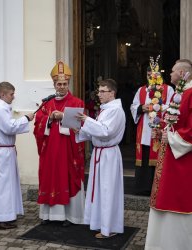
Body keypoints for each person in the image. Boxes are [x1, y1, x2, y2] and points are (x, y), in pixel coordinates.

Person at [145, 59, 192, 249]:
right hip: (170, 156)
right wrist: (161, 130)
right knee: (164, 195)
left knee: (177, 197)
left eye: (172, 71)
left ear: (182, 74)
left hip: (182, 161)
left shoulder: (190, 94)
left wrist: (171, 137)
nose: (169, 73)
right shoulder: (181, 93)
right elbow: (173, 122)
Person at [33, 61, 85, 227]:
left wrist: (62, 117)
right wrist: (49, 118)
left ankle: (69, 216)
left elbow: (81, 127)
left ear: (68, 84)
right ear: (54, 84)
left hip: (67, 150)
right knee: (49, 177)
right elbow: (38, 124)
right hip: (49, 150)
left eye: (65, 84)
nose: (62, 87)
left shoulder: (77, 102)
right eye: (59, 84)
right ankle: (48, 215)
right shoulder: (46, 103)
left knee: (66, 177)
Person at [75, 79, 125, 238]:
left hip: (108, 155)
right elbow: (96, 131)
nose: (99, 94)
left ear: (112, 93)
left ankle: (109, 228)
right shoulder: (106, 109)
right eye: (99, 91)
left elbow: (106, 131)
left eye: (103, 91)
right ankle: (99, 223)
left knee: (107, 190)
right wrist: (79, 129)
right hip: (101, 154)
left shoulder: (115, 110)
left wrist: (86, 120)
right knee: (100, 190)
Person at [0, 81, 35, 230]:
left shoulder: (2, 108)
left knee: (7, 185)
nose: (13, 97)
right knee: (3, 186)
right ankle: (0, 219)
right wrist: (26, 118)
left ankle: (6, 216)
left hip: (5, 151)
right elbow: (8, 127)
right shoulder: (0, 109)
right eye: (11, 94)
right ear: (2, 94)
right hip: (2, 153)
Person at [130, 67, 174, 195]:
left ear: (159, 75)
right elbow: (134, 106)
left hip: (159, 129)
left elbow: (172, 107)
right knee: (144, 155)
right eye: (148, 74)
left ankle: (159, 188)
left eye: (153, 74)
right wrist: (141, 108)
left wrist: (156, 107)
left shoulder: (168, 89)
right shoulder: (141, 90)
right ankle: (143, 187)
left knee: (159, 155)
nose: (150, 77)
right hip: (144, 129)